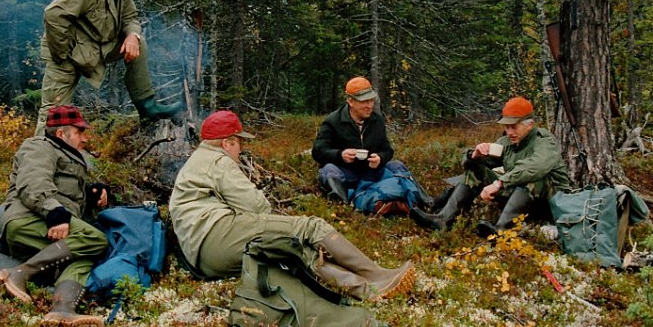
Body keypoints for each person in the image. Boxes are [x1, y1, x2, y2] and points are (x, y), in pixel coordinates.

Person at [169, 110, 415, 301]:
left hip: (203, 257)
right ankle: (378, 275)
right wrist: (282, 223)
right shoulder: (218, 162)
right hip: (217, 235)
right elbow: (256, 207)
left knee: (298, 252)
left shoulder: (197, 162)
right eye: (239, 143)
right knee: (310, 227)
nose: (241, 150)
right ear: (227, 143)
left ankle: (367, 291)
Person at [35, 0, 182, 134]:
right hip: (66, 54)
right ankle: (38, 159)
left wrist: (132, 36)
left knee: (139, 42)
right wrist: (62, 55)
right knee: (53, 114)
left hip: (95, 48)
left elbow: (130, 16)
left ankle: (147, 107)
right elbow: (54, 15)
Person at [0, 105, 109, 327]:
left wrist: (91, 193)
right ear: (61, 134)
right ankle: (18, 274)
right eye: (79, 132)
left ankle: (63, 310)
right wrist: (54, 213)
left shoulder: (67, 155)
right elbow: (33, 184)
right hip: (28, 220)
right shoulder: (39, 146)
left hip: (49, 224)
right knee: (97, 240)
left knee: (84, 256)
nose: (85, 138)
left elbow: (64, 194)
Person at [409, 97, 571, 237]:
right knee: (476, 171)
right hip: (522, 200)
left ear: (529, 125)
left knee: (531, 178)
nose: (509, 132)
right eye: (506, 127)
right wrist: (475, 155)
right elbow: (473, 165)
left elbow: (534, 168)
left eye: (514, 126)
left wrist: (499, 183)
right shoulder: (508, 142)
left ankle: (502, 230)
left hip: (551, 204)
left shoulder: (544, 141)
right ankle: (443, 219)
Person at [312, 76, 425, 205]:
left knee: (397, 165)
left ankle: (424, 201)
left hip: (372, 172)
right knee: (328, 170)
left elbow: (387, 149)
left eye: (371, 101)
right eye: (364, 102)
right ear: (350, 101)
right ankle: (343, 204)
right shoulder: (333, 121)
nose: (369, 106)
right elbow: (318, 151)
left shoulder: (377, 120)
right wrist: (340, 155)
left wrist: (380, 158)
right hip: (347, 174)